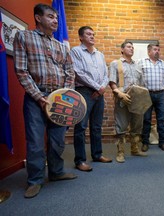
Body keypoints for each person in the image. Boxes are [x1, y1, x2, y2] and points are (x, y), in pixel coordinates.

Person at [13, 3, 77, 198]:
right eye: (50, 16)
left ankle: (56, 172)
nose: (55, 20)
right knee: (35, 141)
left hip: (60, 98)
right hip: (36, 98)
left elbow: (70, 72)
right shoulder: (24, 37)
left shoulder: (61, 46)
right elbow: (21, 71)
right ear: (38, 18)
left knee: (58, 139)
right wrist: (39, 98)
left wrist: (65, 96)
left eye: (56, 17)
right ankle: (35, 180)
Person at [70, 26, 112, 172]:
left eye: (93, 34)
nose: (92, 36)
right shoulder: (76, 51)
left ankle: (97, 154)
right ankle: (80, 160)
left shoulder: (100, 54)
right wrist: (97, 87)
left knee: (96, 126)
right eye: (88, 34)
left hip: (99, 93)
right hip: (84, 92)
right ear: (81, 37)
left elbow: (106, 74)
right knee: (80, 127)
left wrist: (101, 88)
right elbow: (78, 73)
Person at [109, 41, 147, 163]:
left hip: (137, 100)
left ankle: (134, 149)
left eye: (132, 47)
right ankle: (120, 152)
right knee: (122, 126)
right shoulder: (116, 64)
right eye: (129, 47)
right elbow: (112, 82)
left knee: (137, 125)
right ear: (122, 49)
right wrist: (119, 93)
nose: (131, 49)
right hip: (122, 99)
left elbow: (141, 83)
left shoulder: (138, 65)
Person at [136, 43, 164, 152]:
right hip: (146, 94)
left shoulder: (163, 63)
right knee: (146, 119)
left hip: (160, 94)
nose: (157, 51)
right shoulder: (141, 62)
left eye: (158, 49)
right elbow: (138, 78)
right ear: (149, 51)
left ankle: (163, 142)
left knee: (161, 119)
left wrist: (162, 88)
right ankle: (145, 142)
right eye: (155, 49)